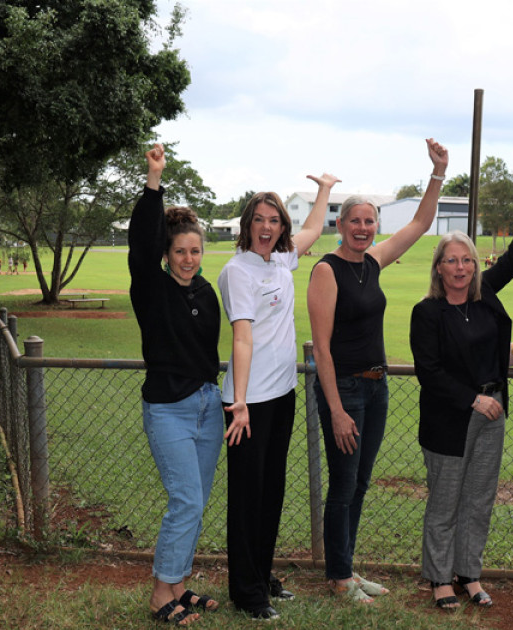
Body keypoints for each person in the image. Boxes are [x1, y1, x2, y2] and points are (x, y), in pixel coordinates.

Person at [307, 138, 448, 602]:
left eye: (370, 221)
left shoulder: (374, 261)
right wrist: (336, 410)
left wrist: (438, 173)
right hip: (344, 391)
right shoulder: (327, 271)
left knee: (360, 483)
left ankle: (345, 569)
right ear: (341, 225)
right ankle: (339, 577)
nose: (363, 228)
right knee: (343, 485)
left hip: (376, 387)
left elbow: (421, 223)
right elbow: (321, 349)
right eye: (355, 221)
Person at [410, 171, 513, 610]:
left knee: (478, 501)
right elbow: (429, 372)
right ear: (439, 267)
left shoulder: (485, 294)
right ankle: (440, 579)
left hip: (493, 413)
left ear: (475, 265)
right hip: (451, 419)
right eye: (452, 261)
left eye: (467, 260)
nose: (461, 268)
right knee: (445, 504)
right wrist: (473, 399)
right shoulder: (428, 312)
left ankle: (468, 574)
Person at [217, 174, 339, 620]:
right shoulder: (237, 271)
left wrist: (324, 191)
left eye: (274, 220)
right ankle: (246, 593)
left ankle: (261, 574)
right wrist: (240, 403)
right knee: (247, 497)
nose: (266, 227)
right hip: (248, 403)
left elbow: (313, 229)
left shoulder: (281, 260)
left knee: (271, 492)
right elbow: (242, 337)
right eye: (259, 220)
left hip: (281, 394)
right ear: (247, 225)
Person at [129, 143, 224, 626]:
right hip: (169, 408)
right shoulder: (152, 288)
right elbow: (141, 244)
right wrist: (154, 181)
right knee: (185, 499)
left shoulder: (206, 292)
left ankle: (180, 585)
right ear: (166, 255)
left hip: (209, 406)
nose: (188, 259)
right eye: (179, 251)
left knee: (196, 502)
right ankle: (159, 593)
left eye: (195, 251)